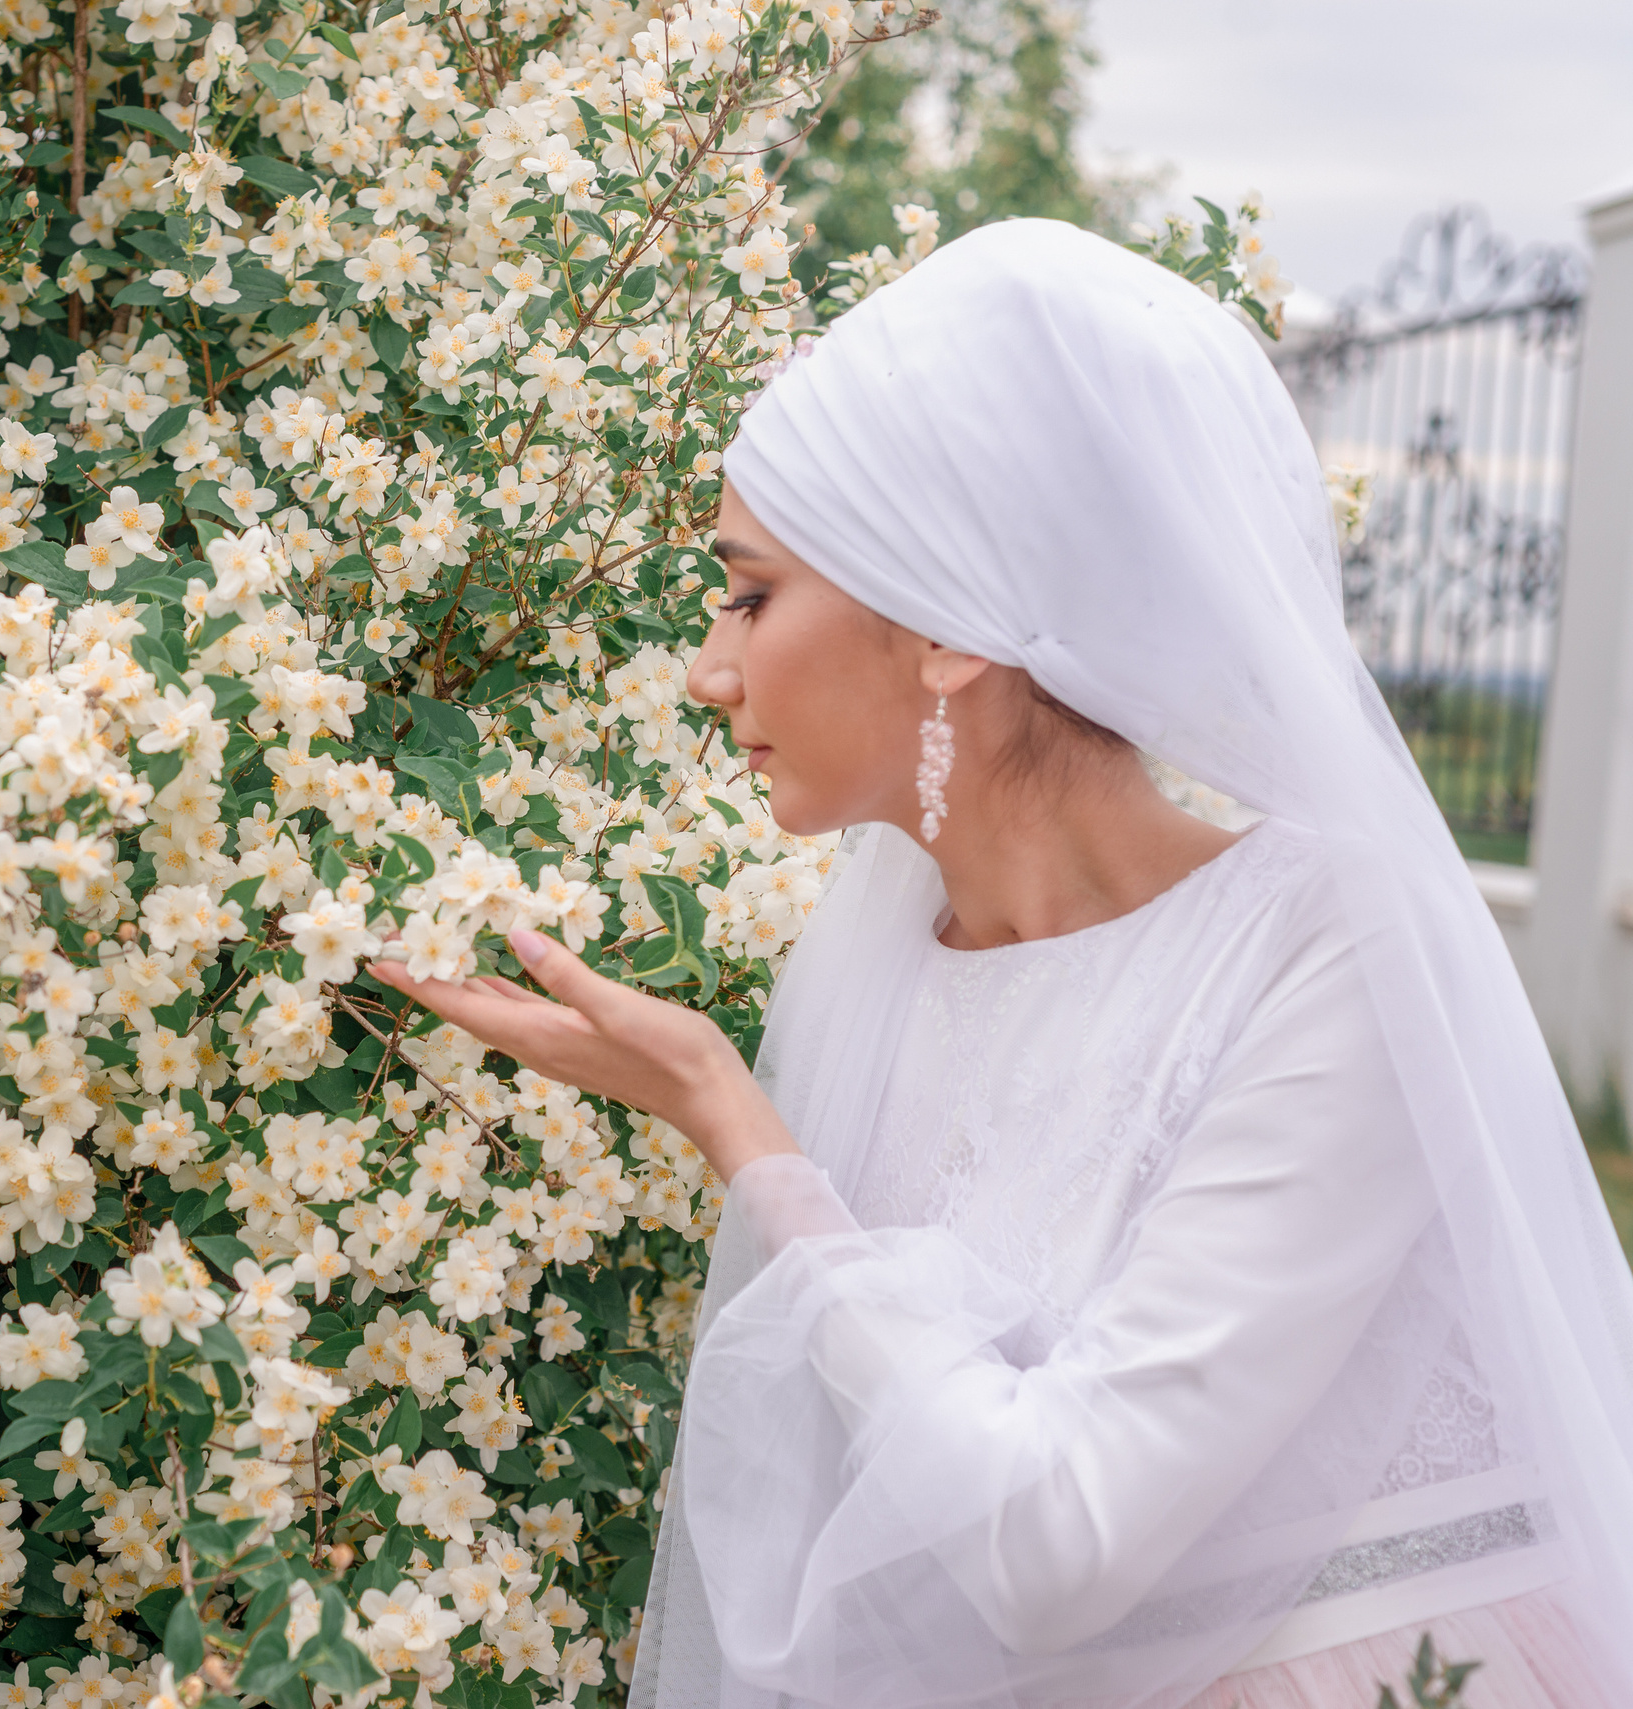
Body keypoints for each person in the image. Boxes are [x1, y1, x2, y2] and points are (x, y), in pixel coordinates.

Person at [368, 220, 1633, 1706]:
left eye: (753, 594)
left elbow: (1057, 1544)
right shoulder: (885, 946)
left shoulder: (1333, 950)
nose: (708, 670)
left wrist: (733, 1119)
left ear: (947, 629)